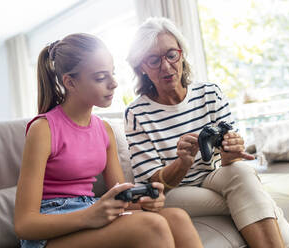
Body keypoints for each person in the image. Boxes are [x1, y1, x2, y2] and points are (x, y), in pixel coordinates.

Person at [125, 17, 289, 248]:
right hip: (175, 192)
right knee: (253, 194)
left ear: (181, 54)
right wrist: (183, 163)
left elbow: (231, 162)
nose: (166, 66)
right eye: (153, 60)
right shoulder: (137, 113)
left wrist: (232, 151)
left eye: (171, 54)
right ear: (142, 67)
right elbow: (154, 183)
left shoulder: (209, 93)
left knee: (242, 172)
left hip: (214, 178)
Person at [14, 33, 204, 248]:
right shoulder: (43, 129)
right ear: (70, 82)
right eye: (100, 77)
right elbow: (24, 225)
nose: (113, 83)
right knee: (151, 226)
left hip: (89, 214)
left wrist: (145, 201)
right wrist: (88, 216)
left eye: (112, 74)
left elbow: (122, 197)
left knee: (177, 218)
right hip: (49, 234)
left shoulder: (104, 130)